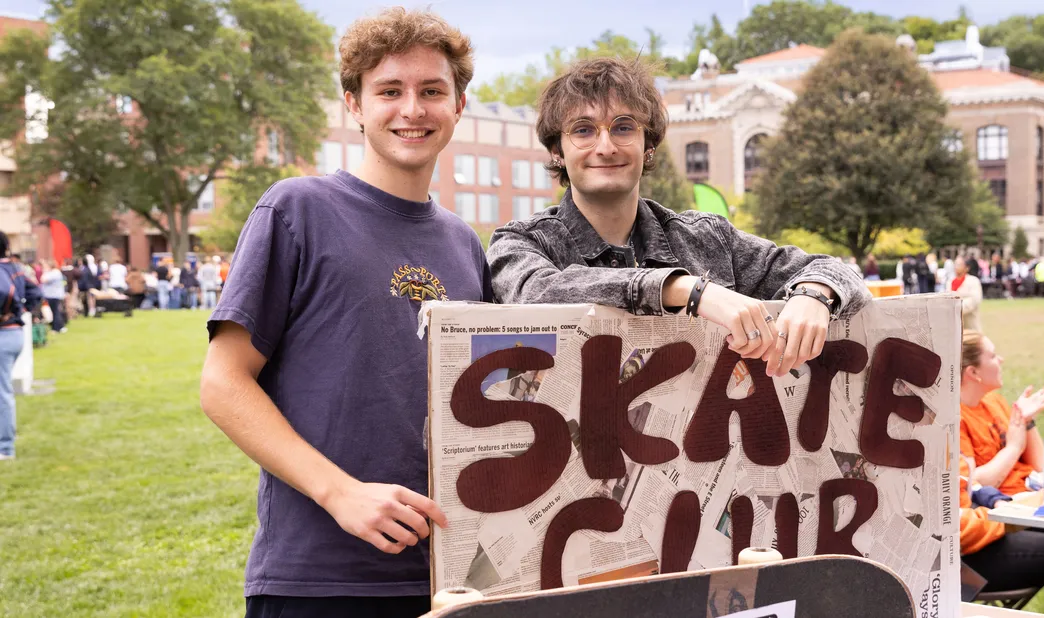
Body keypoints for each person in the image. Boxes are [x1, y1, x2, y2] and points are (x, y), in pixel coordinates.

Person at [200, 8, 491, 617]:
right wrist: (342, 494)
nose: (412, 109)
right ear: (354, 106)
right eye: (389, 91)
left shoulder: (464, 243)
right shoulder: (296, 210)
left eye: (432, 91)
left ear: (458, 106)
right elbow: (223, 385)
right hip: (320, 578)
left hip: (449, 575)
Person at [488, 57, 869, 376]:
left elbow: (837, 271)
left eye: (623, 127)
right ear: (557, 151)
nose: (605, 147)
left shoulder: (708, 238)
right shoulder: (520, 243)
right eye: (583, 130)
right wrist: (686, 291)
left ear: (648, 145)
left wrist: (814, 296)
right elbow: (537, 294)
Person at [959, 455, 1044, 603]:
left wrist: (996, 500)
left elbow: (966, 481)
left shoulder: (943, 441)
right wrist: (1006, 518)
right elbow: (954, 528)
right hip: (958, 565)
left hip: (983, 527)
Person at [959, 330, 1044, 496]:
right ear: (973, 372)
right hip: (1008, 507)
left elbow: (1042, 466)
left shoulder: (995, 402)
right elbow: (970, 486)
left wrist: (1027, 420)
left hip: (1036, 491)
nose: (1001, 360)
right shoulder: (954, 420)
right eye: (993, 356)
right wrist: (1013, 448)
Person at [0, 232, 42, 460]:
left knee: (2, 391)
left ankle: (5, 447)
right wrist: (22, 310)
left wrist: (7, 311)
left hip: (4, 333)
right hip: (14, 333)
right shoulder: (16, 268)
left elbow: (4, 292)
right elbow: (36, 292)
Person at [951, 256, 983, 331]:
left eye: (959, 265)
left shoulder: (973, 281)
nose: (956, 267)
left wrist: (956, 307)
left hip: (970, 326)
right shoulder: (950, 282)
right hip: (954, 328)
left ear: (967, 268)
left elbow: (974, 300)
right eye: (955, 264)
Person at [40, 260, 67, 333]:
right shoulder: (54, 272)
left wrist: (45, 272)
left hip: (54, 295)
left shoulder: (54, 272)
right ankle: (60, 326)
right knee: (55, 311)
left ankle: (56, 328)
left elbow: (43, 279)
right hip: (51, 295)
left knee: (55, 312)